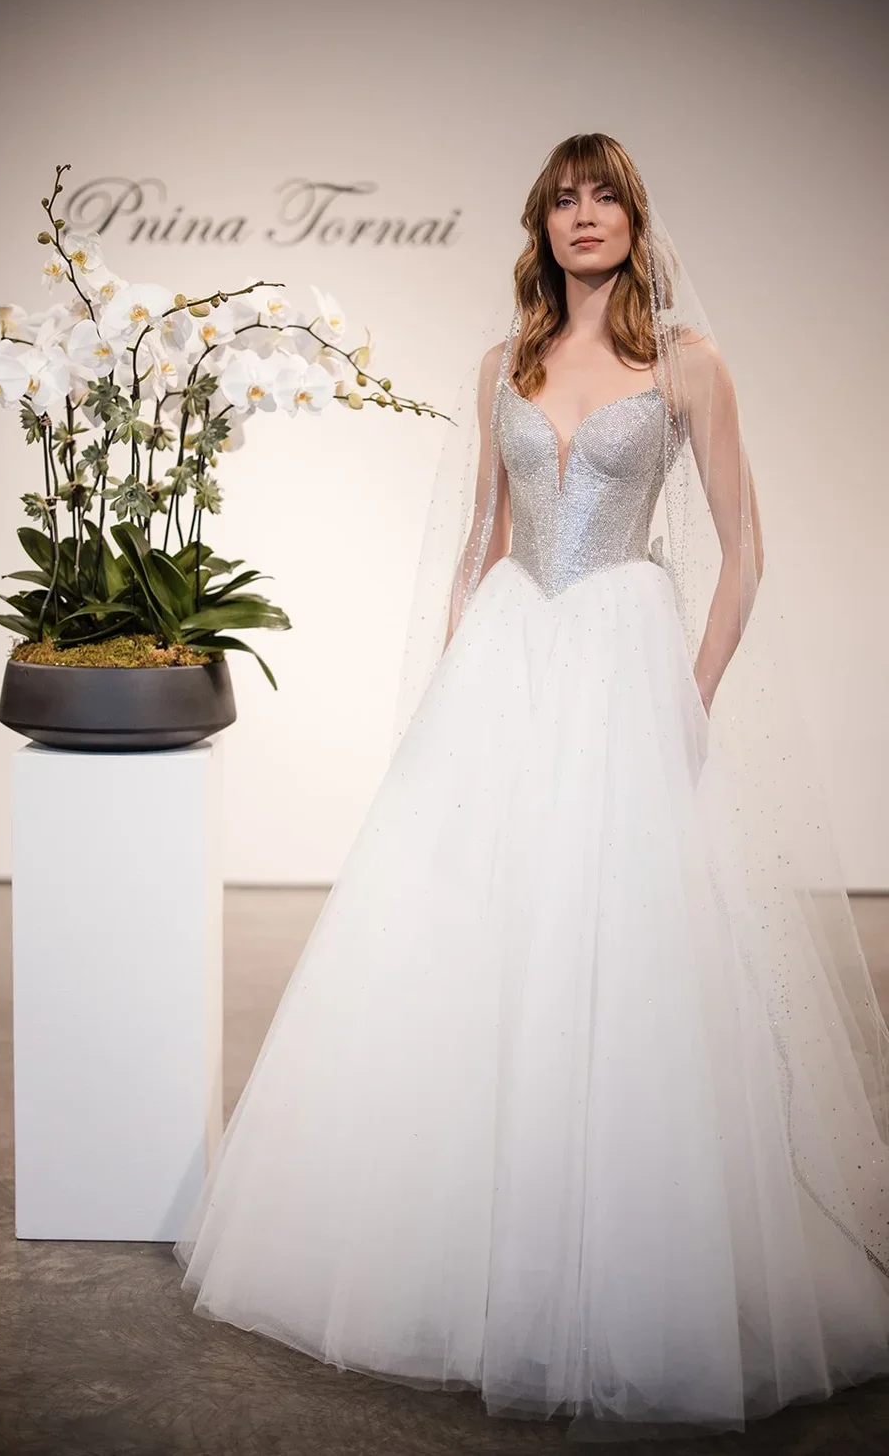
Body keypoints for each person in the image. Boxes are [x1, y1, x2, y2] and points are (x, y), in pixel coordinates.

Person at [174, 133, 889, 1440]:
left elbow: (746, 554)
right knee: (471, 951)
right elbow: (477, 549)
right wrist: (452, 699)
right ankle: (465, 1262)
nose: (583, 216)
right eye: (562, 199)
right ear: (538, 226)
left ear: (634, 217)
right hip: (505, 670)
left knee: (622, 966)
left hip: (623, 670)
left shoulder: (691, 368)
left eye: (602, 194)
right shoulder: (500, 367)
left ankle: (615, 1280)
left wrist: (692, 694)